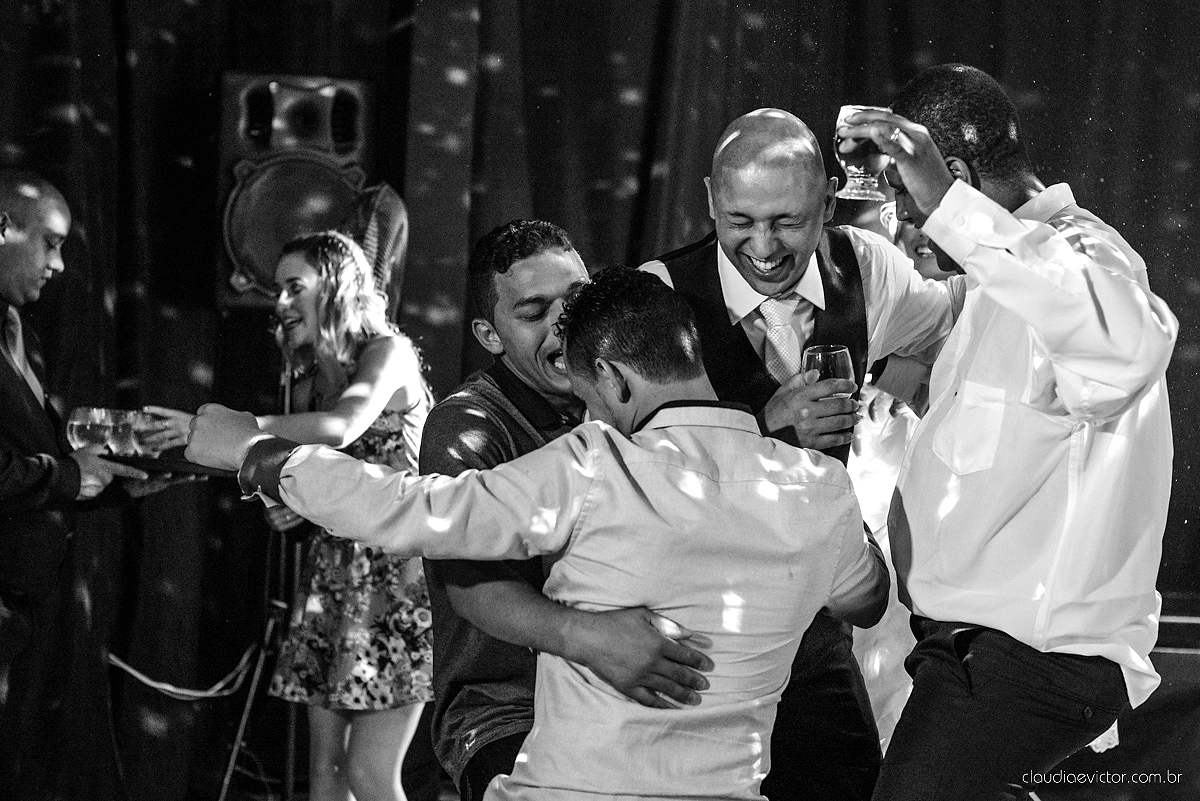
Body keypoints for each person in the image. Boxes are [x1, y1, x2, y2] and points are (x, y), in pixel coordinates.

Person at [185, 265, 891, 801]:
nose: (590, 416)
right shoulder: (819, 487)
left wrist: (259, 453)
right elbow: (867, 598)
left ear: (612, 379)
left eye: (588, 400)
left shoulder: (596, 464)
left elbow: (410, 508)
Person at [837, 64, 1178, 800]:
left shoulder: (1088, 257)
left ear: (952, 177)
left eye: (909, 197)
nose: (902, 220)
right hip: (966, 653)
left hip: (1031, 659)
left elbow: (1128, 344)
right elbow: (921, 304)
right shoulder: (995, 281)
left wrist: (950, 211)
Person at [638, 107, 954, 800]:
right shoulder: (658, 296)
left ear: (829, 198)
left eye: (786, 221)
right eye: (739, 220)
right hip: (700, 626)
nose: (762, 246)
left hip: (818, 620)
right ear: (708, 201)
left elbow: (960, 313)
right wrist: (766, 431)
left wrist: (909, 367)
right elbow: (634, 478)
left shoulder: (865, 266)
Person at [418, 220, 712, 800]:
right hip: (509, 710)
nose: (563, 324)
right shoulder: (468, 426)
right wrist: (598, 639)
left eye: (573, 301)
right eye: (533, 312)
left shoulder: (623, 397)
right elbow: (476, 591)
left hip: (628, 703)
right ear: (489, 333)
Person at [157, 230, 436, 801]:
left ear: (337, 286)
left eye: (293, 288)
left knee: (369, 774)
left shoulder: (389, 351)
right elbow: (330, 479)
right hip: (333, 575)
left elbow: (342, 429)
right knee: (325, 774)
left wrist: (228, 429)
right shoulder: (313, 375)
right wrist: (295, 506)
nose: (279, 304)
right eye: (276, 291)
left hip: (397, 583)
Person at [0, 169, 156, 798]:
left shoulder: (22, 336)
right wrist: (69, 476)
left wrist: (122, 478)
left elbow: (34, 454)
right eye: (51, 243)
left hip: (30, 607)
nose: (60, 265)